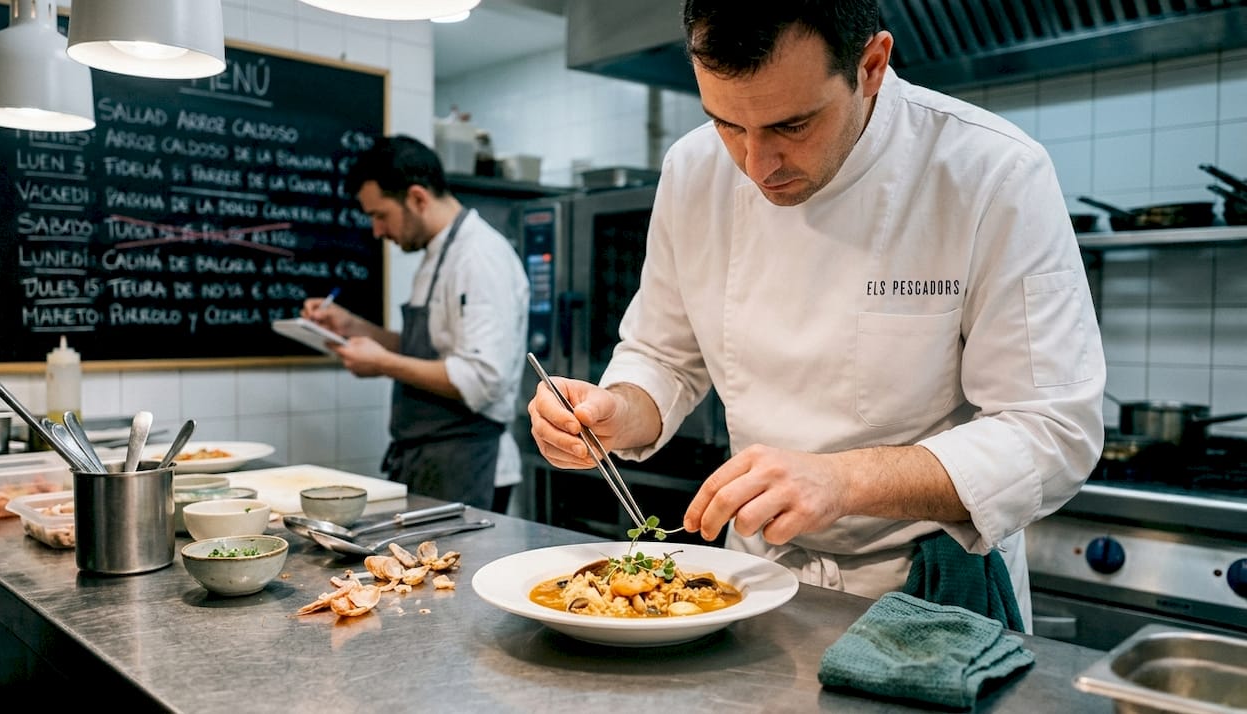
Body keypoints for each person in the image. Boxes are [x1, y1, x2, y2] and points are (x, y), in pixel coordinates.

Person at [526, 0, 1105, 631]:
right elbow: (665, 355)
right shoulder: (693, 170)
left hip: (928, 585)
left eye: (792, 126)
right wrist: (616, 413)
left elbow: (1054, 432)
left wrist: (844, 480)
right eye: (726, 123)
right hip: (754, 580)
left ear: (872, 65)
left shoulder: (991, 171)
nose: (756, 166)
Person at [305, 135, 529, 511]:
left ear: (418, 198)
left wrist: (382, 364)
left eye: (380, 215)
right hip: (430, 460)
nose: (376, 231)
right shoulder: (436, 254)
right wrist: (353, 326)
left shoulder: (479, 258)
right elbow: (432, 349)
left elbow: (482, 377)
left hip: (469, 461)